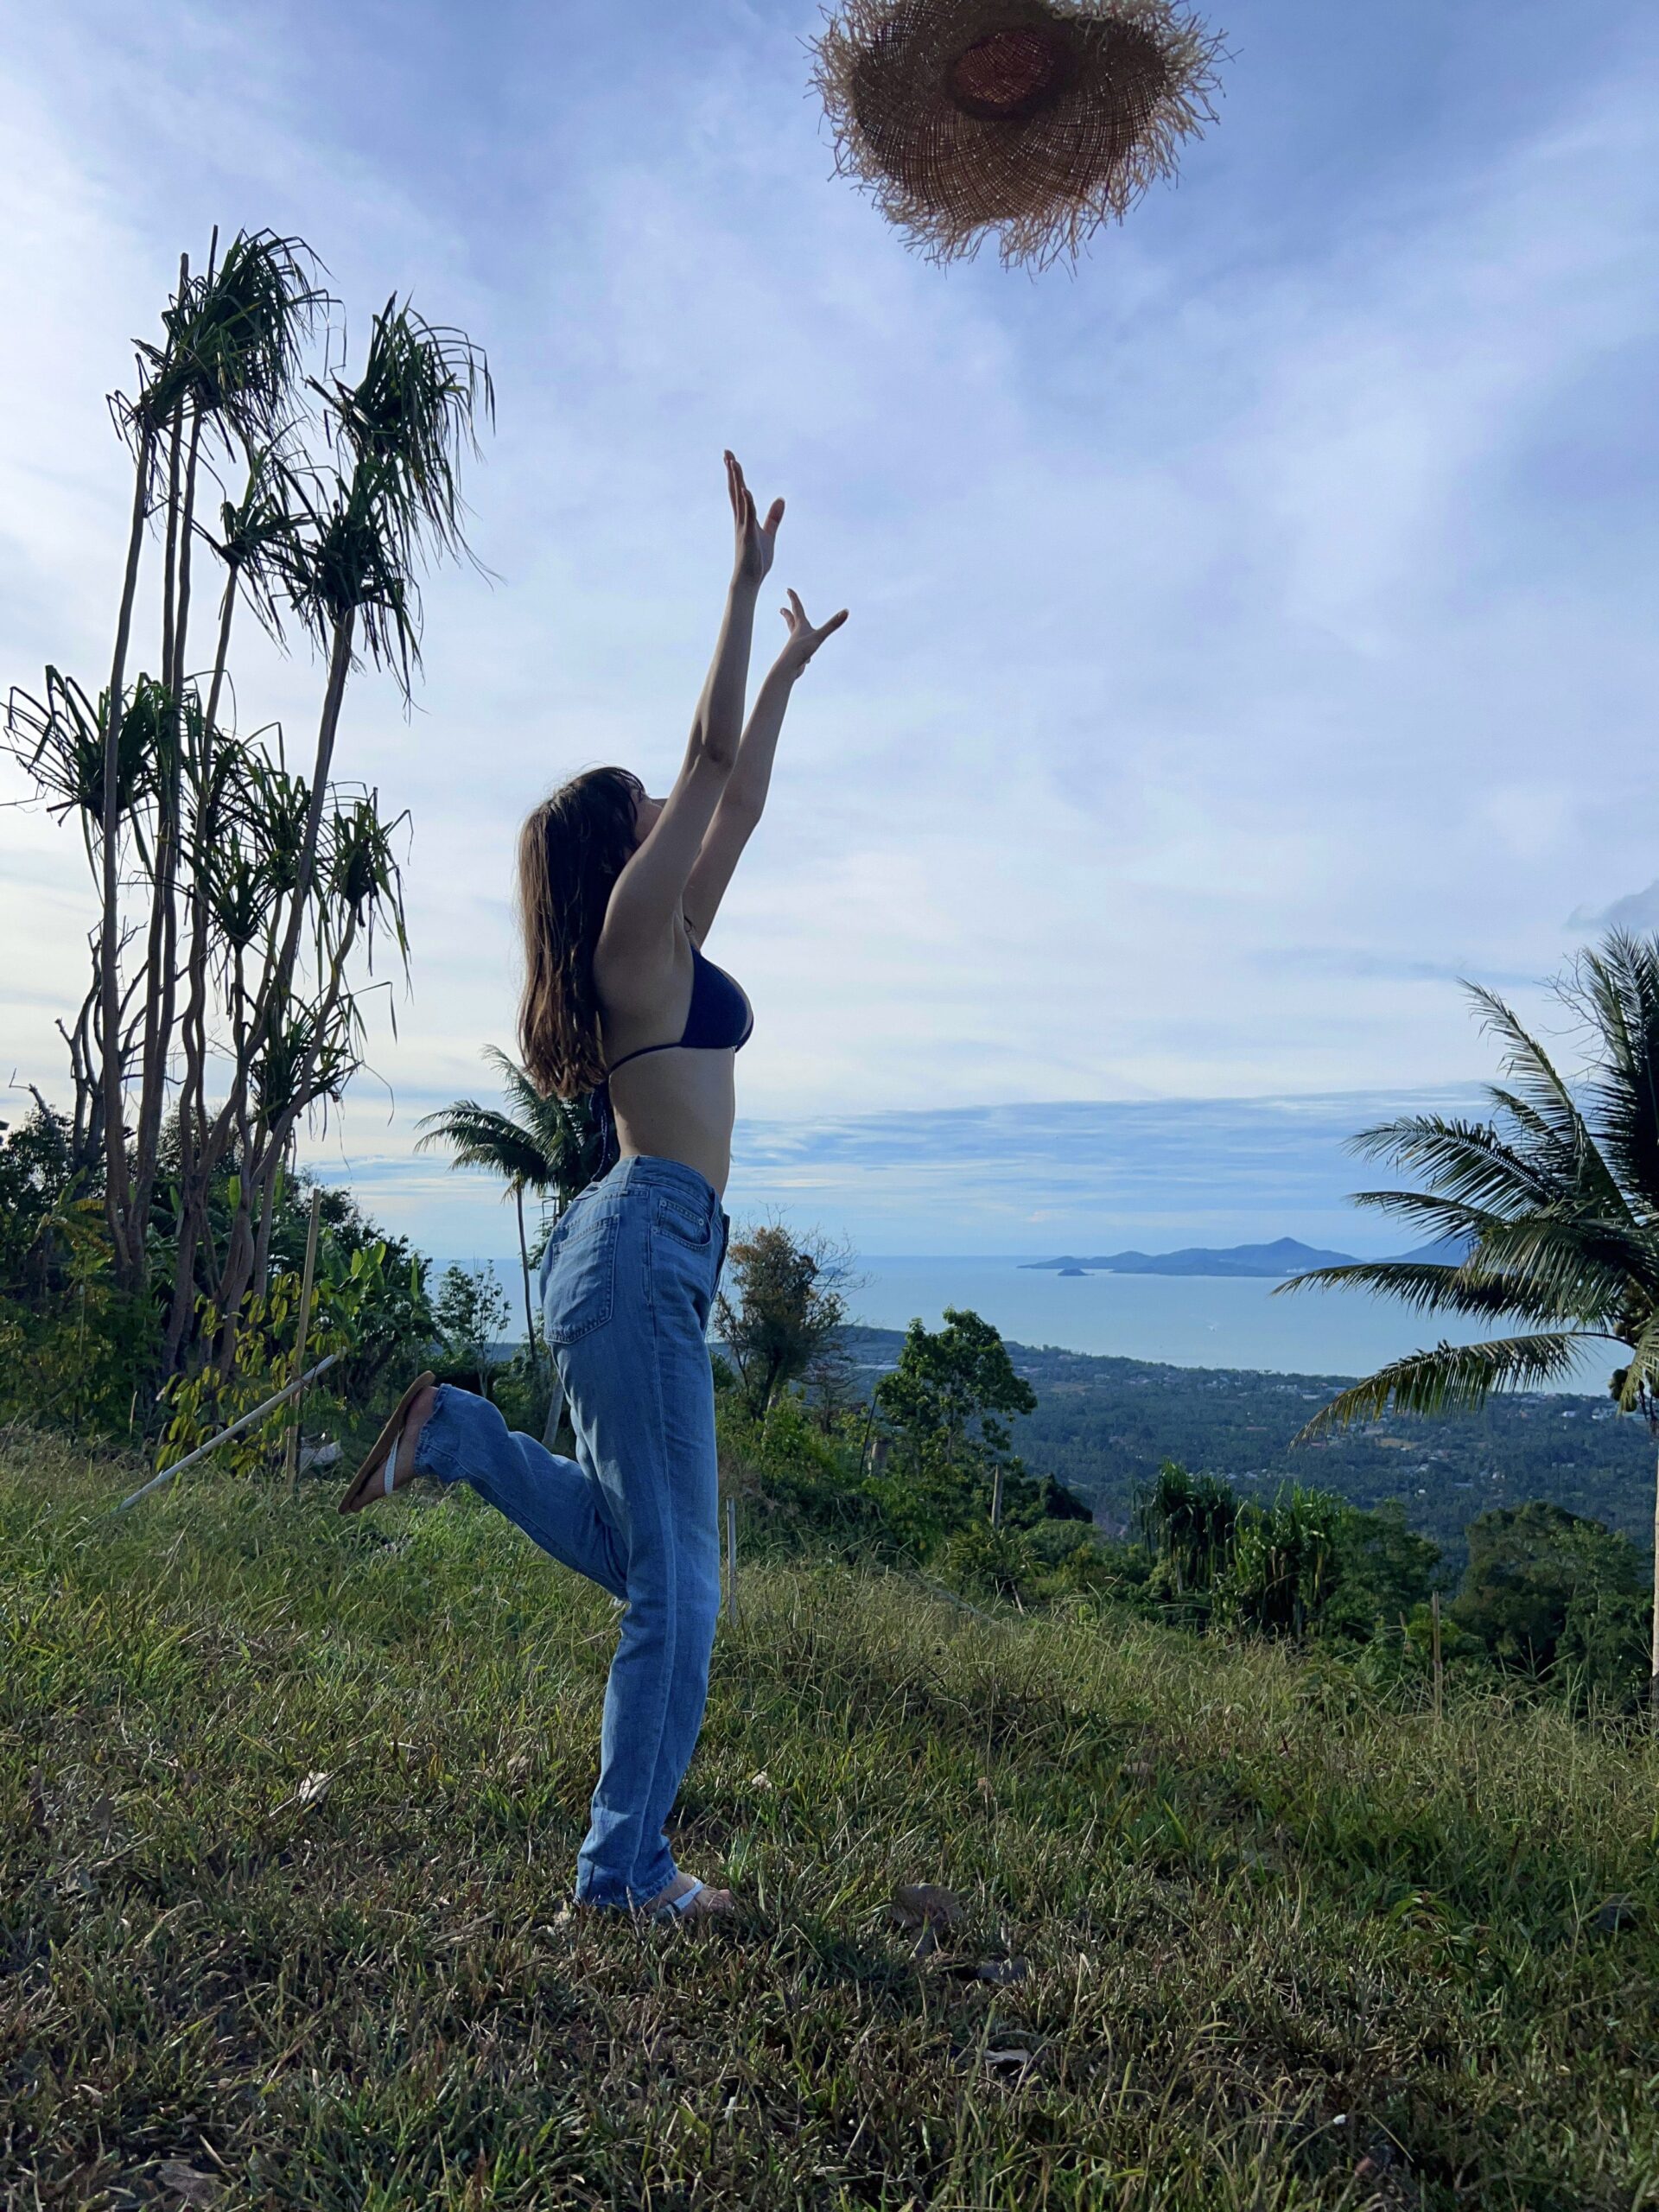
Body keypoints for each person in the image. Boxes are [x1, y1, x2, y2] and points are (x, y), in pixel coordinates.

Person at [337, 454, 848, 1923]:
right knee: (678, 1588)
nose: (669, 806)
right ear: (614, 848)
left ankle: (456, 1437)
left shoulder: (662, 938)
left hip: (642, 1247)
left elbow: (738, 795)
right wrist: (740, 592)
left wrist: (787, 672)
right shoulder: (631, 934)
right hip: (638, 1242)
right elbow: (707, 761)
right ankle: (623, 1876)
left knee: (648, 1555)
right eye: (643, 803)